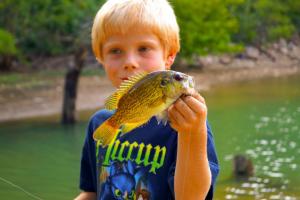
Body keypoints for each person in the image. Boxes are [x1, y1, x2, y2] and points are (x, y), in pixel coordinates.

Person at [75, 0, 219, 199]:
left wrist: (192, 133)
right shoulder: (99, 123)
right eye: (116, 50)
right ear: (101, 58)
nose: (130, 63)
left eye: (143, 48)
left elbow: (190, 196)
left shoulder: (185, 125)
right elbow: (92, 193)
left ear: (169, 57)